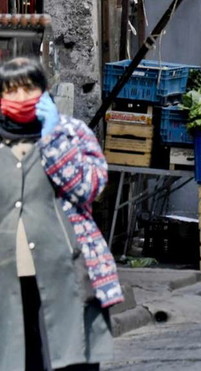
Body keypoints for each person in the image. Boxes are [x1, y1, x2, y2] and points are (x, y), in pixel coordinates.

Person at [0, 58, 121, 369]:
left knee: (72, 358)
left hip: (66, 269)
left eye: (29, 89)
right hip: (8, 275)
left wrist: (52, 138)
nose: (21, 98)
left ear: (45, 91)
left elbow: (88, 188)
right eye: (11, 91)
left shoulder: (73, 133)